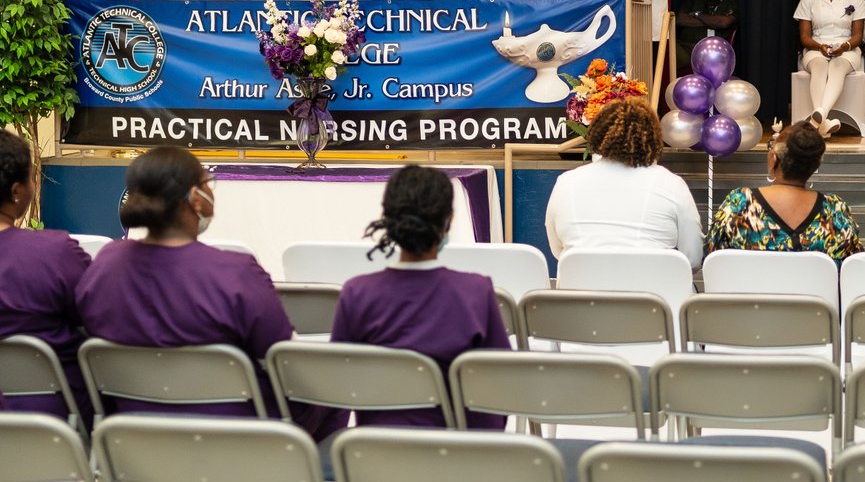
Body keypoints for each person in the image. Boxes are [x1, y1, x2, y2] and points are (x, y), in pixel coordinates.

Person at [74, 147, 344, 438]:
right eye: (207, 183)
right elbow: (283, 358)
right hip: (238, 435)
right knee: (331, 386)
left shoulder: (106, 264)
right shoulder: (235, 272)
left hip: (133, 429)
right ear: (195, 198)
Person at [330, 166, 509, 429]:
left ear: (389, 219)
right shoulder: (476, 292)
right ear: (448, 221)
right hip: (456, 448)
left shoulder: (356, 293)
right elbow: (498, 388)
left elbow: (338, 388)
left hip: (376, 448)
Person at [0, 131, 92, 424]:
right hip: (54, 422)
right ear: (17, 191)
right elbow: (98, 315)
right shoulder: (54, 253)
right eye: (32, 178)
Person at [545, 98, 703, 268]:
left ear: (598, 134)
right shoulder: (671, 184)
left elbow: (558, 250)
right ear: (653, 137)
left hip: (581, 284)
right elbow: (693, 258)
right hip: (653, 284)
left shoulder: (567, 182)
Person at [705, 121, 862, 263]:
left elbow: (711, 258)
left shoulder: (740, 204)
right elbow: (852, 267)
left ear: (774, 159)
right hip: (816, 288)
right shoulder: (835, 211)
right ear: (815, 166)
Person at [793, 0, 865, 137]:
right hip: (815, 47)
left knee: (837, 66)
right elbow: (804, 37)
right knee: (819, 66)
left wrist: (844, 46)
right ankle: (823, 122)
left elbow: (858, 36)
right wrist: (820, 46)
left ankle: (819, 116)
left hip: (848, 49)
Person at [676, 0, 738, 74]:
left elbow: (724, 22)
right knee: (658, 48)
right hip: (684, 44)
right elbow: (680, 19)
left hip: (708, 51)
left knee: (668, 56)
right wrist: (711, 21)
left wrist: (697, 15)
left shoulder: (731, 1)